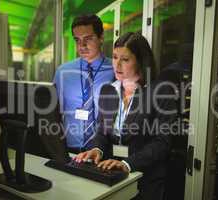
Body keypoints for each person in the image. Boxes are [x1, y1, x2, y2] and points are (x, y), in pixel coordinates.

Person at [74, 32, 177, 200]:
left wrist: (127, 163)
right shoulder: (109, 90)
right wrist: (96, 149)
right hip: (110, 176)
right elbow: (102, 132)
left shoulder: (161, 92)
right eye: (115, 57)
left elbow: (162, 142)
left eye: (125, 59)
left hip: (145, 180)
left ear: (141, 61)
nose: (117, 65)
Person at [53, 14, 114, 153]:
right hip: (70, 149)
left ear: (101, 37)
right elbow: (54, 113)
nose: (82, 45)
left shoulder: (116, 70)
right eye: (77, 40)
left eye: (88, 39)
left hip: (104, 152)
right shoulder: (63, 72)